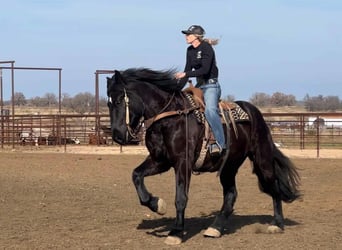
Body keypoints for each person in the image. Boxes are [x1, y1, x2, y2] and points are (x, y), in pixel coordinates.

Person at [175, 25, 226, 155]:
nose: (186, 36)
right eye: (186, 34)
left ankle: (219, 143)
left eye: (188, 34)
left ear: (196, 36)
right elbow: (187, 70)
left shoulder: (206, 48)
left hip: (211, 86)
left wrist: (185, 75)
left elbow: (205, 70)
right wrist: (176, 90)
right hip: (199, 86)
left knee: (210, 110)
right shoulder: (189, 50)